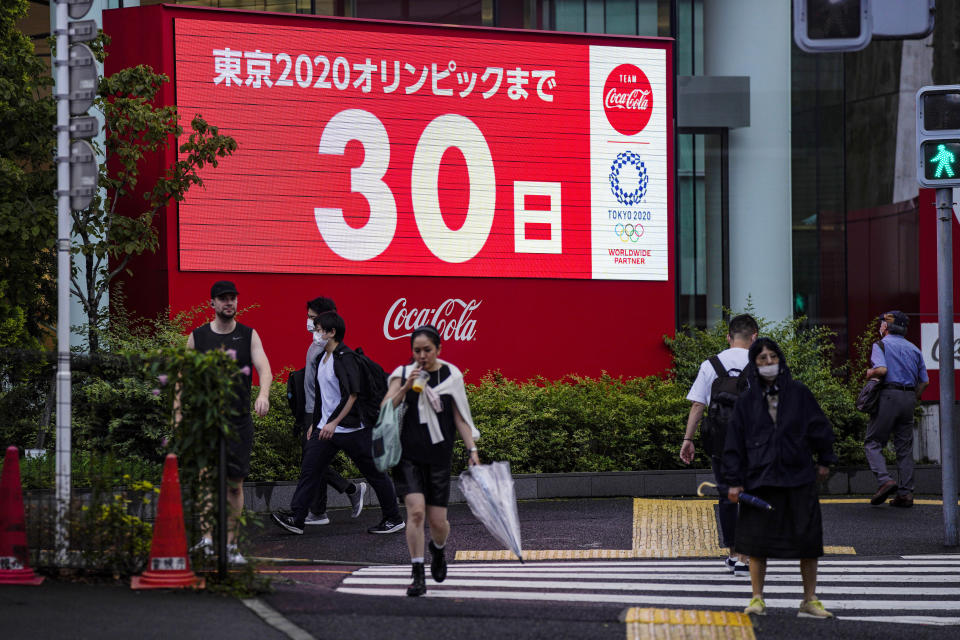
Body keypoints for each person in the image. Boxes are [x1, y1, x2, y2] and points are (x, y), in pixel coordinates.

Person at [723, 337, 838, 619]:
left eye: (773, 356)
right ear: (754, 364)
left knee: (808, 539)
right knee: (755, 542)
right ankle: (757, 598)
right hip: (759, 478)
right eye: (762, 358)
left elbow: (818, 426)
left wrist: (825, 459)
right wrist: (734, 481)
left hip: (798, 475)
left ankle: (809, 598)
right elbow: (734, 442)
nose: (768, 362)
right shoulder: (747, 401)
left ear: (780, 360)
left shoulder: (799, 393)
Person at [271, 311, 405, 536]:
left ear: (332, 332)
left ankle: (393, 518)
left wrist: (333, 423)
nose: (316, 334)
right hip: (326, 429)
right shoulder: (321, 359)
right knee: (310, 469)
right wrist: (317, 423)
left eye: (320, 330)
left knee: (375, 473)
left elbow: (352, 394)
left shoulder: (345, 358)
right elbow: (323, 397)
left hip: (353, 430)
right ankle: (297, 518)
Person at [381, 324, 481, 597]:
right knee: (415, 512)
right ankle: (417, 574)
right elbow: (384, 409)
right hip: (407, 457)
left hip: (438, 457)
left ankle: (438, 550)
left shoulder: (451, 375)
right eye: (416, 350)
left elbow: (460, 417)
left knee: (438, 523)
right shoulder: (402, 374)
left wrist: (472, 451)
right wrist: (404, 388)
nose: (422, 355)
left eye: (427, 350)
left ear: (438, 349)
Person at [187, 280, 272, 565]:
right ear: (211, 303)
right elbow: (182, 380)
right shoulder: (197, 337)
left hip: (238, 420)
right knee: (206, 480)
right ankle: (208, 540)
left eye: (232, 298)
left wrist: (263, 394)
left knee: (235, 485)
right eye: (223, 299)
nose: (229, 303)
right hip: (207, 422)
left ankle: (232, 546)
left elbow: (265, 369)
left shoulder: (248, 335)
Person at [680, 313, 758, 576]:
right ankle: (747, 557)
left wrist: (688, 439)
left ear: (728, 337)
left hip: (721, 440)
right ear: (754, 337)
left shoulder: (711, 364)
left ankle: (734, 553)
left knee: (727, 496)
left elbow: (697, 406)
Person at [291, 297, 367, 525]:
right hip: (311, 411)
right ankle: (319, 511)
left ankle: (350, 491)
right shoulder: (316, 345)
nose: (310, 323)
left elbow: (335, 389)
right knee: (314, 460)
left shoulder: (328, 349)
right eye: (309, 318)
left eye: (313, 319)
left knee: (312, 461)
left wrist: (317, 419)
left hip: (318, 413)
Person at [864, 310, 928, 508]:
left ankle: (885, 480)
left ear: (888, 326)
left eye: (882, 322)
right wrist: (910, 396)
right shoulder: (914, 349)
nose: (880, 325)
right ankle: (905, 494)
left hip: (888, 395)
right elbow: (925, 382)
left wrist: (870, 372)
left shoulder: (881, 344)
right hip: (909, 397)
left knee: (873, 442)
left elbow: (882, 370)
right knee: (904, 448)